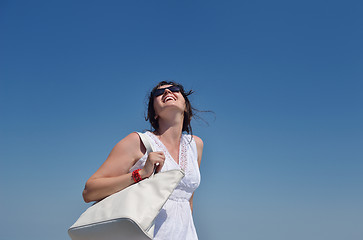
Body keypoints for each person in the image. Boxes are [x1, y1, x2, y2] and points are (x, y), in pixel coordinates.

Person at [82, 81, 204, 240]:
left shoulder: (195, 145)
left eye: (174, 89)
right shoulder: (138, 142)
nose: (167, 92)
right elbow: (89, 191)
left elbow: (188, 200)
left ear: (186, 106)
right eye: (159, 93)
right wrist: (140, 174)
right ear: (154, 112)